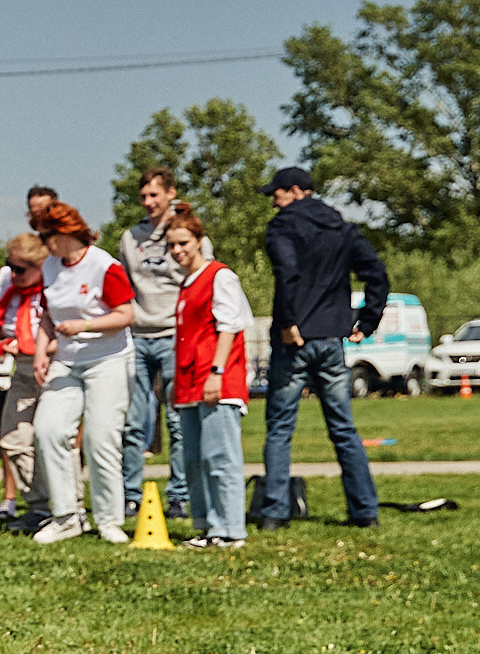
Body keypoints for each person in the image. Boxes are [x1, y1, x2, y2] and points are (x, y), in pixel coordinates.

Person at [256, 167, 386, 529]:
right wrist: (367, 321)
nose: (273, 201)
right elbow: (376, 272)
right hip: (331, 340)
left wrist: (286, 322)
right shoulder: (342, 228)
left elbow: (287, 272)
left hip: (294, 339)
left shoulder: (283, 227)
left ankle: (274, 513)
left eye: (276, 194)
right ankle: (365, 512)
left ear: (296, 191)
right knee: (343, 428)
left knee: (280, 428)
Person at [28, 202, 135, 545]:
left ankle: (109, 520)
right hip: (66, 359)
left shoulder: (104, 265)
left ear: (65, 233)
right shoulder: (50, 266)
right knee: (47, 431)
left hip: (109, 359)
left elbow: (126, 314)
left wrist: (86, 324)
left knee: (100, 439)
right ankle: (67, 517)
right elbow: (47, 314)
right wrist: (41, 351)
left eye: (46, 235)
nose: (44, 243)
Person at [119, 166, 204, 522]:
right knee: (134, 421)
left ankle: (179, 497)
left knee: (177, 420)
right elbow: (123, 289)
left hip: (174, 335)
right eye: (143, 197)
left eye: (155, 194)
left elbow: (202, 282)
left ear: (171, 193)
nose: (148, 202)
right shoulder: (130, 237)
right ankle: (131, 496)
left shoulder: (187, 234)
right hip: (138, 337)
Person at [165, 211, 252, 550]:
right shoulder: (185, 283)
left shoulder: (219, 276)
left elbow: (230, 325)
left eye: (183, 243)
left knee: (220, 456)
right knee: (193, 458)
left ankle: (231, 529)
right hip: (188, 382)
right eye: (171, 245)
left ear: (199, 241)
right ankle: (206, 526)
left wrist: (216, 373)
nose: (177, 250)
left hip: (215, 379)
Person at [0, 231, 50, 532]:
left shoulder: (55, 285)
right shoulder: (8, 284)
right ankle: (40, 505)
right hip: (22, 367)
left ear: (40, 265)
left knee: (52, 439)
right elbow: (1, 327)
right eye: (10, 266)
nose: (14, 274)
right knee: (12, 437)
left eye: (21, 269)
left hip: (54, 365)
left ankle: (65, 507)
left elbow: (64, 331)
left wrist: (34, 348)